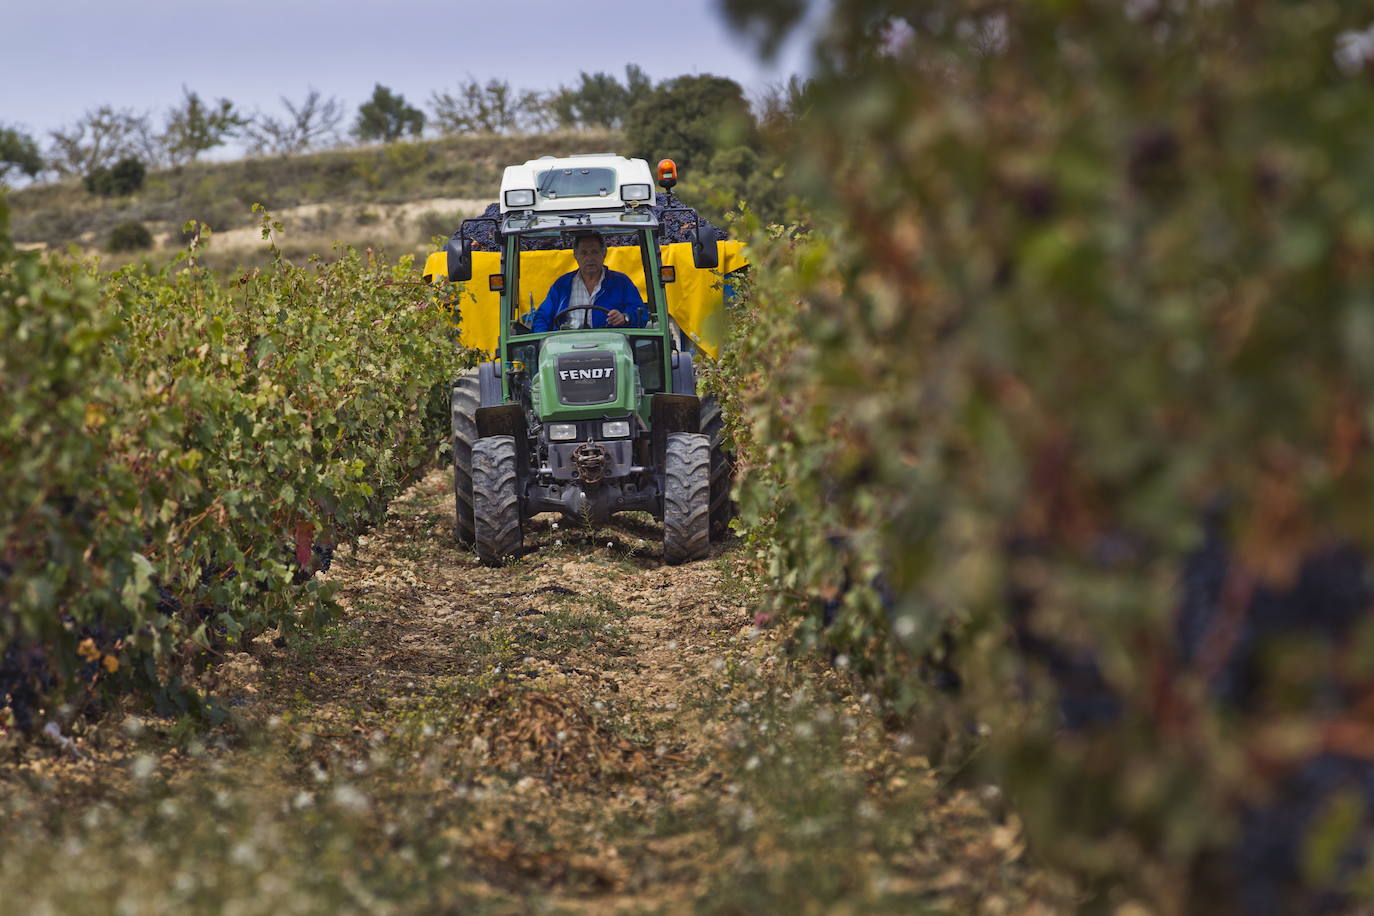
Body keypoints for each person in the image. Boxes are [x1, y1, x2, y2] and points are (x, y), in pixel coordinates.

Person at [529, 231, 648, 332]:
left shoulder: (621, 283)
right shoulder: (562, 285)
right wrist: (544, 341)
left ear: (604, 253)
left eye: (594, 252)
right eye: (584, 253)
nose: (590, 258)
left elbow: (641, 314)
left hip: (610, 345)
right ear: (576, 255)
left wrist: (625, 317)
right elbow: (541, 318)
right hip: (566, 346)